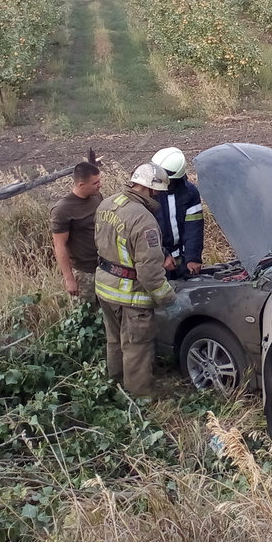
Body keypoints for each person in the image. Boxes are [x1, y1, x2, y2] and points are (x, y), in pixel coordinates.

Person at [94, 162, 177, 399]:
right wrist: (167, 298)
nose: (158, 197)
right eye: (157, 192)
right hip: (129, 295)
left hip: (105, 287)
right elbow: (149, 271)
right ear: (150, 189)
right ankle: (139, 398)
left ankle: (116, 386)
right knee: (136, 347)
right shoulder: (143, 220)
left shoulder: (107, 204)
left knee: (114, 341)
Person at [50, 160, 103, 305]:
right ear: (81, 185)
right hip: (84, 272)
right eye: (95, 183)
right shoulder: (62, 210)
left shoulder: (97, 197)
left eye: (99, 180)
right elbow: (59, 245)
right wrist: (69, 279)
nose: (100, 185)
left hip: (103, 267)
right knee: (87, 313)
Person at [150, 147, 205, 278]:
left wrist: (192, 257)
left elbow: (194, 227)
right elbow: (144, 231)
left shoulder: (190, 193)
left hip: (180, 262)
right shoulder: (149, 193)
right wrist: (163, 255)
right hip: (154, 261)